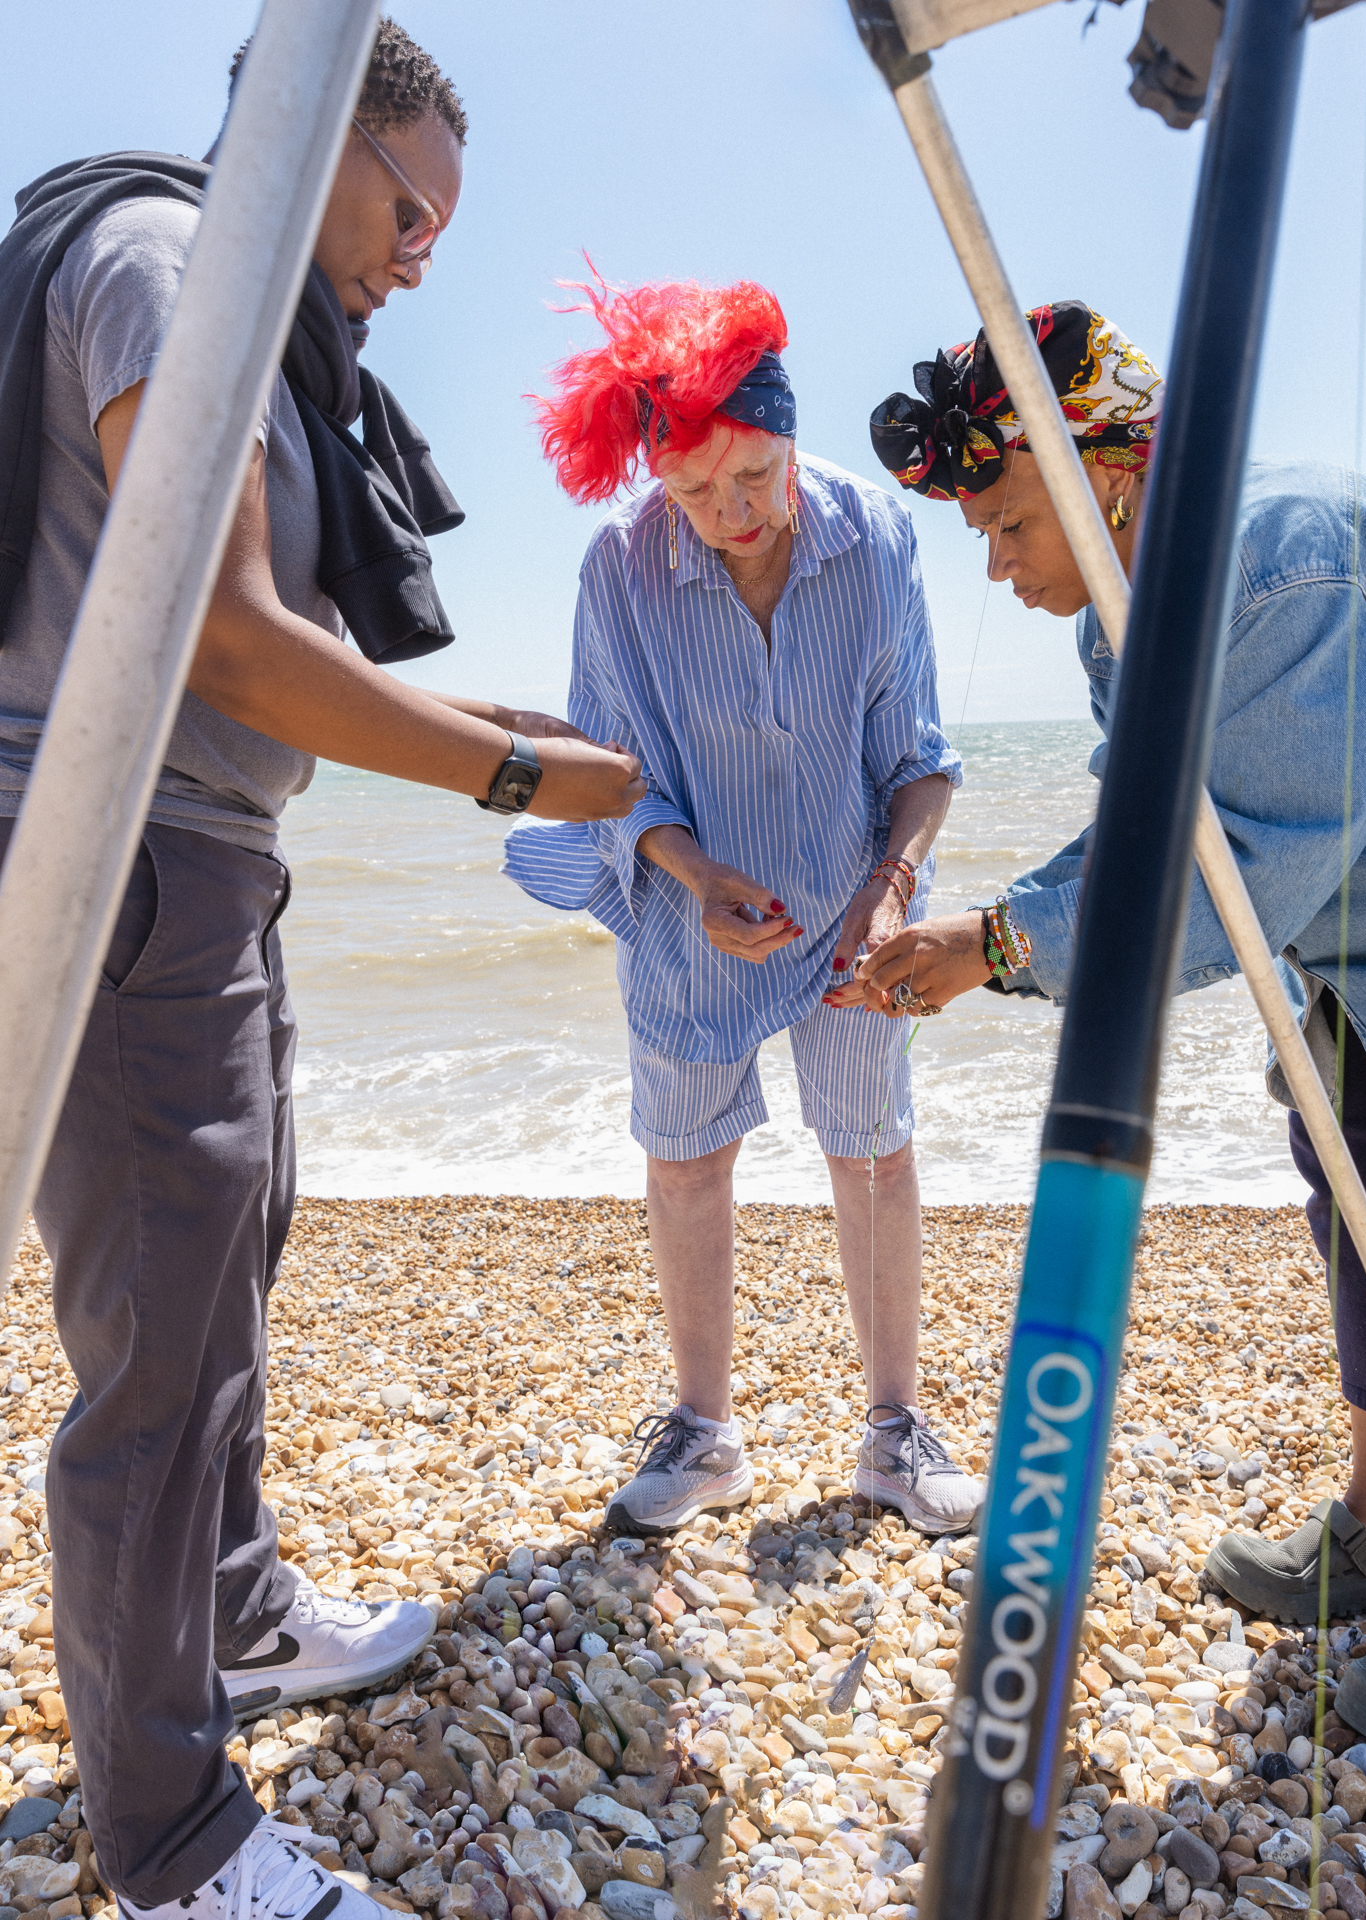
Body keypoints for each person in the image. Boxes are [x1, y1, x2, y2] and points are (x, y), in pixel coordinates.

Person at [0, 23, 642, 1920]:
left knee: (233, 1250)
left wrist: (507, 727)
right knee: (158, 1349)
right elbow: (226, 637)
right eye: (412, 205)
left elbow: (274, 660)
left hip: (211, 857)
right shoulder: (168, 269)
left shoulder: (248, 319)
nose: (421, 251)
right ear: (315, 143)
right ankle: (172, 1837)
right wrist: (509, 768)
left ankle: (245, 1615)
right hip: (116, 860)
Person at [848, 302, 1366, 1763]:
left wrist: (1001, 944)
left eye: (1009, 520)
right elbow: (1163, 821)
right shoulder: (1133, 613)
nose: (998, 562)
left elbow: (1234, 864)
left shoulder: (1285, 565)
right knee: (1360, 1180)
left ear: (1105, 467)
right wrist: (1002, 928)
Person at [505, 274, 982, 1539]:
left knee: (873, 1145)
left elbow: (920, 759)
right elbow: (616, 774)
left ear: (787, 432)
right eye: (695, 492)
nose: (732, 515)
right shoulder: (620, 569)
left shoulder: (874, 535)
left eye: (754, 478)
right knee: (685, 1156)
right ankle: (704, 1432)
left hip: (855, 899)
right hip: (689, 907)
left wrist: (888, 889)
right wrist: (693, 872)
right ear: (656, 478)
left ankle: (892, 1429)